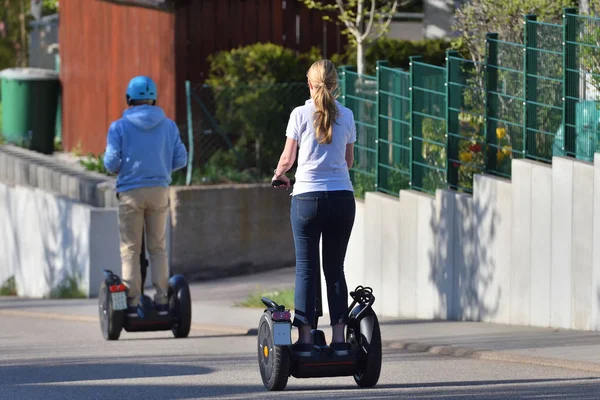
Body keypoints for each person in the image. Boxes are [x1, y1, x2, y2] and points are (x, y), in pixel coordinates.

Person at [272, 59, 356, 356]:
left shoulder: (299, 114)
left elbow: (287, 158)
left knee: (307, 269)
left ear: (310, 84)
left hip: (307, 199)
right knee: (335, 270)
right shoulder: (346, 114)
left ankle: (306, 341)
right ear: (335, 85)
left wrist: (279, 175)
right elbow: (348, 162)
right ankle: (341, 340)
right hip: (342, 199)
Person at [103, 76, 188, 318]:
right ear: (153, 99)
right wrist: (159, 167)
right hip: (159, 190)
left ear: (129, 98)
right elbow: (181, 159)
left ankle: (131, 302)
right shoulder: (168, 125)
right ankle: (162, 301)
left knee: (130, 249)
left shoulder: (119, 127)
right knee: (158, 247)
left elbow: (111, 162)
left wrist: (123, 166)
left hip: (130, 192)